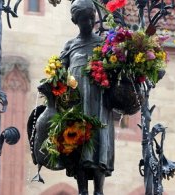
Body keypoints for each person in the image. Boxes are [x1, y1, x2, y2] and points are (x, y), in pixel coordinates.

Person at [60, 0, 114, 194]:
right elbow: (58, 72)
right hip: (77, 102)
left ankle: (99, 190)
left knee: (99, 142)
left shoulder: (102, 44)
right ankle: (82, 189)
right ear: (76, 21)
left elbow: (113, 71)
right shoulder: (70, 46)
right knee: (79, 143)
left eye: (92, 19)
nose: (89, 23)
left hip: (99, 102)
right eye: (84, 20)